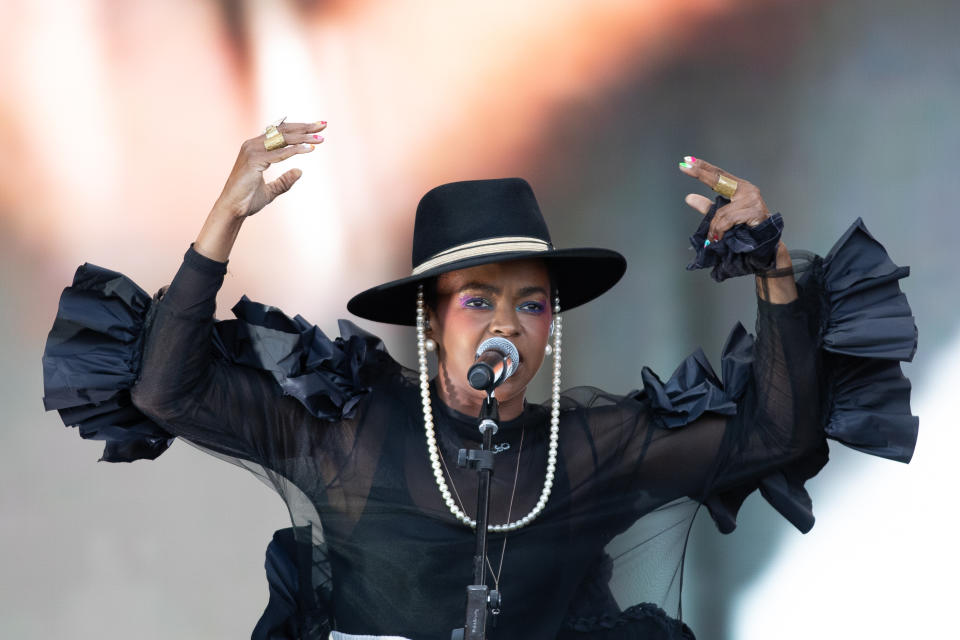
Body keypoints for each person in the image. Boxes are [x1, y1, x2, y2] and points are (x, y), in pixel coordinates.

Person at [42, 120, 919, 639]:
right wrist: (221, 224)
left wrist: (769, 267)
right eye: (476, 301)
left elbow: (779, 436)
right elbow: (166, 391)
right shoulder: (344, 429)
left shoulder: (586, 451)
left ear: (550, 328)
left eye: (531, 304)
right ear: (429, 321)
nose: (505, 322)